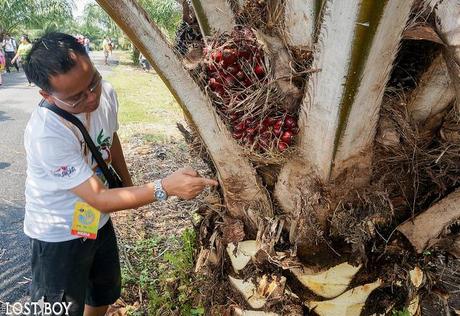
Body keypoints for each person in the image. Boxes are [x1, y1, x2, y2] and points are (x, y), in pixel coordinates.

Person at [23, 32, 218, 316]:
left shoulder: (106, 94)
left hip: (93, 222)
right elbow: (100, 198)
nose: (91, 99)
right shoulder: (47, 133)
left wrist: (127, 185)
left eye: (93, 84)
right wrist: (164, 187)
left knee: (102, 294)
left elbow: (109, 139)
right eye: (76, 98)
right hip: (58, 233)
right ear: (46, 95)